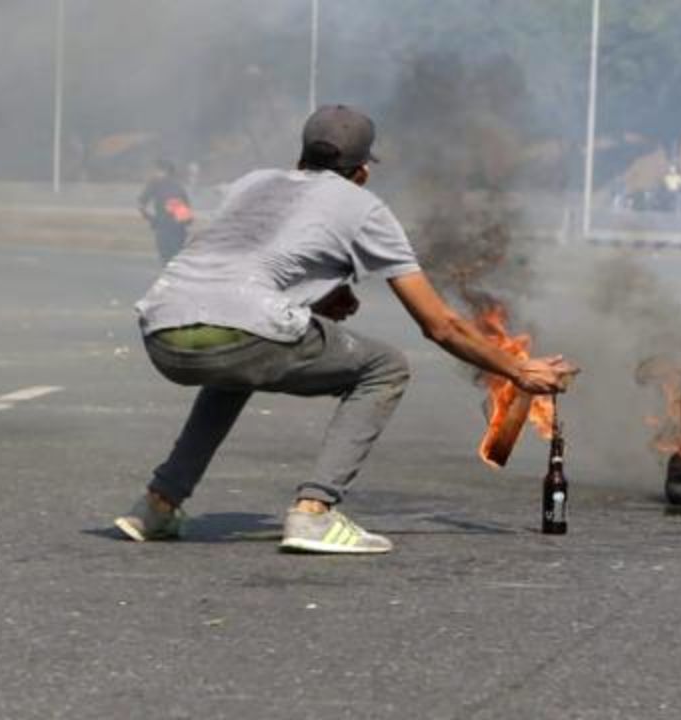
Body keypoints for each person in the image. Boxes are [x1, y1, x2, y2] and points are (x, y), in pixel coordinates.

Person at [115, 105, 578, 554]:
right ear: (363, 172)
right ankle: (315, 510)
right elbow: (441, 326)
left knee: (235, 369)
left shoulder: (253, 183)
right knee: (386, 367)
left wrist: (317, 293)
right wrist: (517, 369)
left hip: (161, 326)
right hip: (243, 327)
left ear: (300, 158)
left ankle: (158, 505)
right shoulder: (364, 206)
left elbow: (255, 260)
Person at [137, 160, 194, 263]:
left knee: (166, 259)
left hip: (164, 227)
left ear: (163, 171)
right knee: (176, 258)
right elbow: (186, 217)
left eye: (157, 171)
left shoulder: (156, 183)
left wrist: (151, 219)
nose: (155, 173)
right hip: (179, 229)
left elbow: (141, 204)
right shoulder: (177, 186)